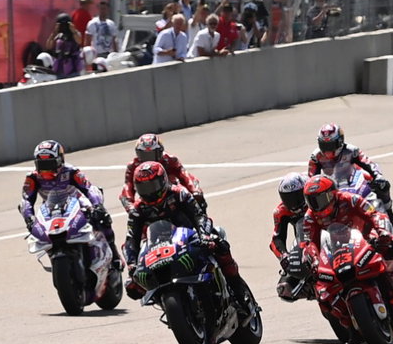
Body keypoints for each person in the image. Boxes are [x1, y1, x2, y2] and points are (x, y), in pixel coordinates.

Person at [300, 175, 393, 344]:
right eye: (311, 201)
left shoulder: (349, 199)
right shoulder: (311, 217)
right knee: (322, 292)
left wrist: (381, 231)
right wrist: (314, 260)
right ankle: (351, 329)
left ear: (332, 194)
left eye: (319, 199)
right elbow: (309, 243)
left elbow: (372, 213)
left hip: (366, 237)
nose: (316, 205)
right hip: (337, 250)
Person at [126, 161, 252, 310]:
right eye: (143, 188)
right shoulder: (137, 209)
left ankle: (239, 291)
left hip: (192, 237)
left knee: (220, 245)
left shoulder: (179, 193)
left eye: (152, 186)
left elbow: (199, 216)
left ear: (163, 181)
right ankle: (167, 303)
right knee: (133, 286)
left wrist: (204, 235)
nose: (149, 192)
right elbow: (131, 240)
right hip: (160, 248)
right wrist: (132, 263)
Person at [19, 140, 120, 269]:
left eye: (49, 164)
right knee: (41, 234)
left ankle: (114, 255)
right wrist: (29, 218)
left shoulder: (71, 171)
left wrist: (97, 205)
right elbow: (26, 199)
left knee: (102, 219)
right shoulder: (32, 177)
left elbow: (88, 188)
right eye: (42, 165)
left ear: (60, 160)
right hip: (50, 208)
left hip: (76, 202)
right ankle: (54, 256)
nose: (46, 170)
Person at [308, 123, 393, 230]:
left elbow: (369, 163)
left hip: (352, 180)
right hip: (332, 186)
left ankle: (389, 214)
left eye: (331, 145)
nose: (327, 150)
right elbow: (311, 179)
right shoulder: (316, 157)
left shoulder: (351, 150)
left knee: (383, 185)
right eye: (324, 145)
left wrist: (378, 176)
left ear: (340, 141)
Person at [120, 133, 205, 214]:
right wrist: (130, 207)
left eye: (151, 155)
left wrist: (195, 191)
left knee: (197, 204)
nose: (149, 160)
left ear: (160, 152)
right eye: (144, 155)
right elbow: (127, 189)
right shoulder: (133, 166)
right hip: (148, 201)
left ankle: (205, 226)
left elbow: (185, 176)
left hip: (173, 197)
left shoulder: (169, 160)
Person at [270, 173, 309, 300]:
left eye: (296, 196)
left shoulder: (316, 197)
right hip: (304, 240)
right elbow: (277, 239)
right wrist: (283, 256)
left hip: (330, 235)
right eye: (288, 198)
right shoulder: (281, 211)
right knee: (284, 289)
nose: (293, 202)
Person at [82, 0, 119, 72]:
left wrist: (116, 54)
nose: (103, 11)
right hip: (96, 54)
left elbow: (114, 40)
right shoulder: (92, 23)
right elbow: (87, 40)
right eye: (101, 9)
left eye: (104, 9)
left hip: (108, 55)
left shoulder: (111, 24)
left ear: (108, 10)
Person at [45, 13, 83, 78]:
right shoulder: (58, 36)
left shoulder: (75, 34)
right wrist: (54, 33)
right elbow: (48, 46)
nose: (64, 27)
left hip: (73, 69)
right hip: (60, 69)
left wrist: (73, 31)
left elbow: (79, 41)